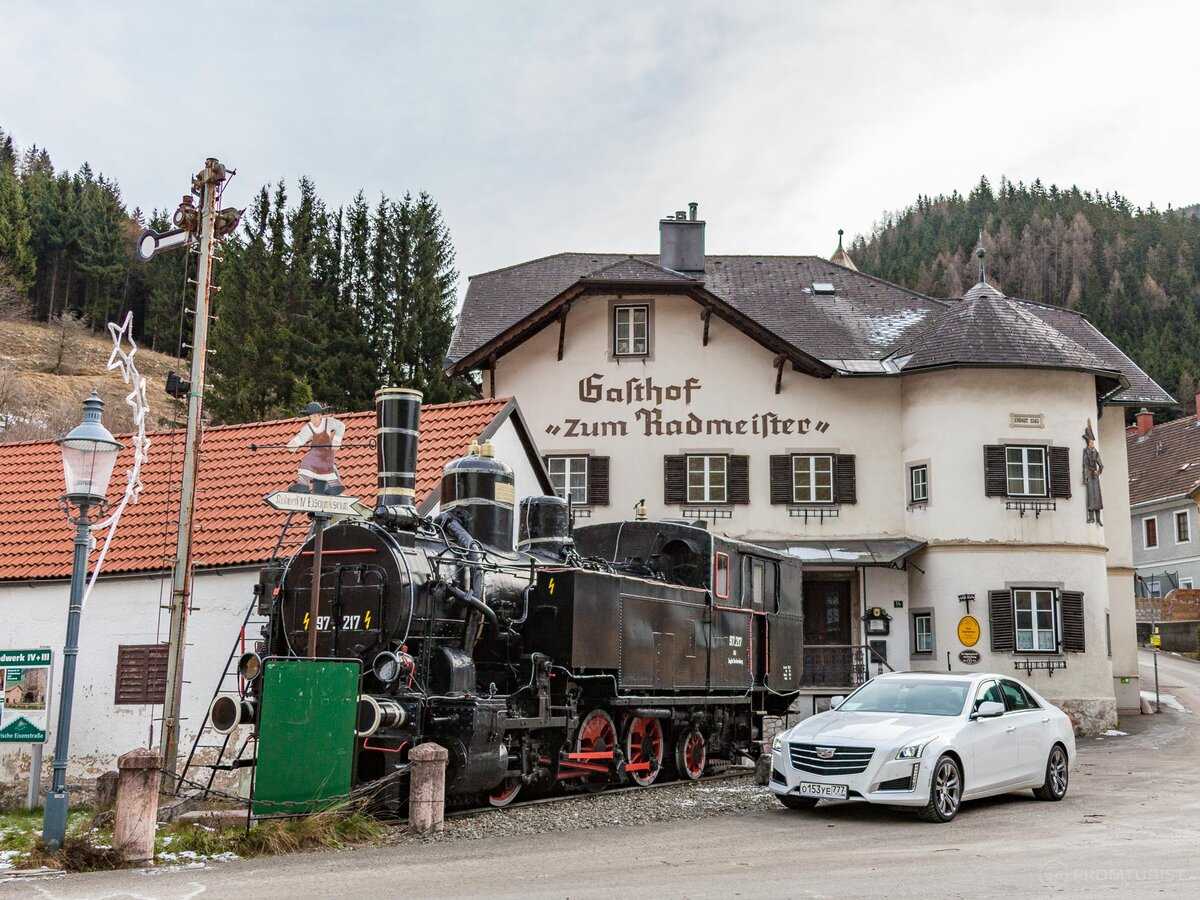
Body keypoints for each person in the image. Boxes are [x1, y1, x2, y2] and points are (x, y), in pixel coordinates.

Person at [286, 402, 346, 495]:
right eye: (311, 417)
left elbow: (341, 426)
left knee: (327, 467)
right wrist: (294, 444)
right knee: (306, 463)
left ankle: (335, 486)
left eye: (315, 416)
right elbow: (301, 437)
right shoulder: (309, 427)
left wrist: (337, 440)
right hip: (315, 453)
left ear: (320, 415)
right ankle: (303, 485)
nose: (313, 419)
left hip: (326, 452)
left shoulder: (328, 422)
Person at [1082, 420, 1103, 525]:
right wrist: (1085, 477)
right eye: (1091, 442)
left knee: (1097, 497)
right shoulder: (1086, 452)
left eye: (1093, 442)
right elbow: (1084, 465)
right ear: (1088, 443)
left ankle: (1098, 518)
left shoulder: (1095, 452)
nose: (1092, 443)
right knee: (1091, 498)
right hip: (1090, 476)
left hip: (1094, 476)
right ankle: (1091, 518)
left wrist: (1098, 472)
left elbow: (1101, 464)